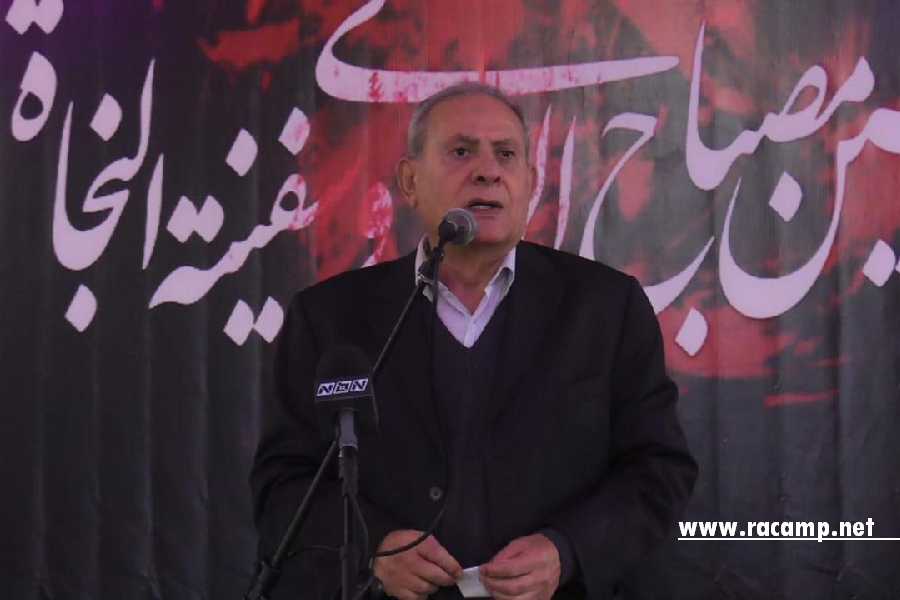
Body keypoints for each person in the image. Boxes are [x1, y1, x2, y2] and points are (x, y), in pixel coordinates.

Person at [251, 82, 697, 600]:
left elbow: (658, 470)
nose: (488, 171)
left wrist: (568, 551)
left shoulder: (606, 307)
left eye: (505, 154)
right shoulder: (329, 317)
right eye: (461, 151)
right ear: (410, 181)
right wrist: (373, 548)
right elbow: (283, 485)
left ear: (530, 183)